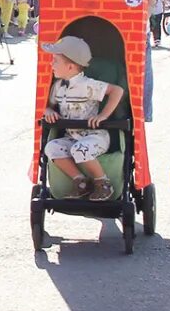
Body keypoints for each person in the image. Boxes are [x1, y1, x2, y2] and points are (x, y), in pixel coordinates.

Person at [40, 32, 125, 201]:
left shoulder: (88, 85)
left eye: (55, 61)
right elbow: (47, 106)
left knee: (79, 149)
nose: (52, 64)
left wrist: (103, 115)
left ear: (71, 67)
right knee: (51, 148)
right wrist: (48, 111)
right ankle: (81, 181)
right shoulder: (58, 87)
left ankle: (103, 183)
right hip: (72, 136)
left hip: (95, 137)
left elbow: (117, 90)